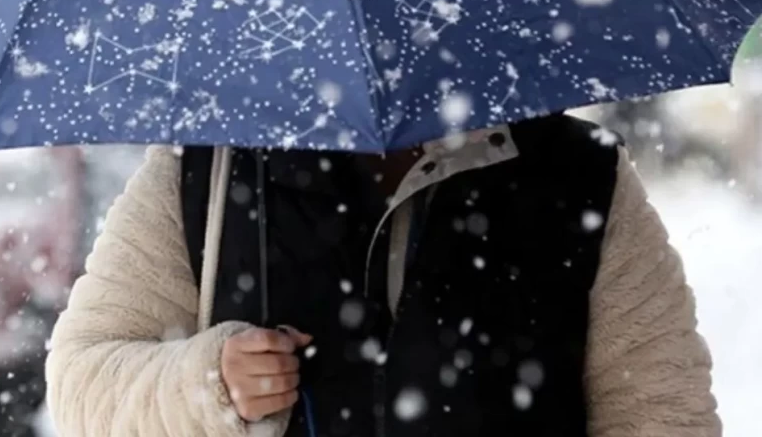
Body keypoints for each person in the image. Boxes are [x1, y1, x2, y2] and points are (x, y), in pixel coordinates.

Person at [45, 114, 718, 436]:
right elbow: (81, 385)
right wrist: (206, 382)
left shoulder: (577, 177)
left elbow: (662, 414)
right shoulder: (211, 172)